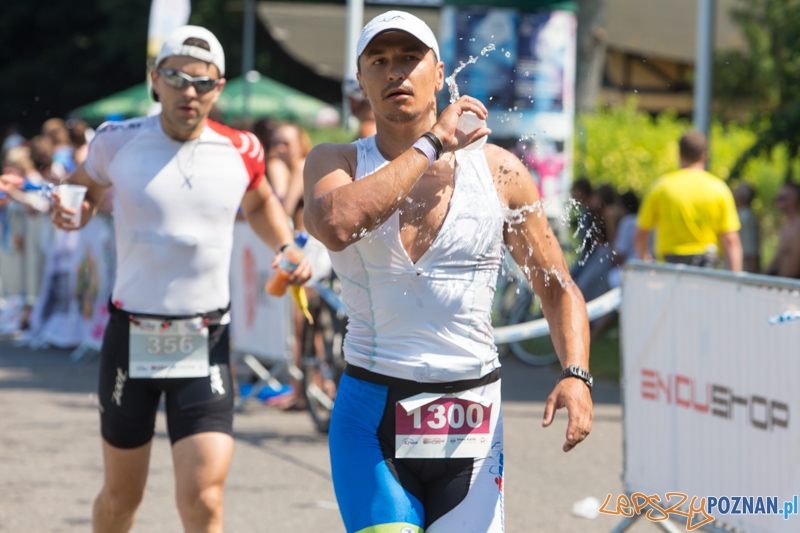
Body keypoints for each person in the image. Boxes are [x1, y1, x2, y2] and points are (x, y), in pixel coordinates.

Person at [303, 11, 593, 532]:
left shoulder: (499, 171)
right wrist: (432, 143)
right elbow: (337, 225)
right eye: (380, 61)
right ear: (361, 80)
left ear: (439, 76)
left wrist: (575, 372)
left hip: (472, 419)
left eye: (411, 59)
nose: (396, 72)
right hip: (372, 416)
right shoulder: (336, 161)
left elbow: (558, 289)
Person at [50, 25, 310, 532]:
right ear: (155, 80)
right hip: (132, 336)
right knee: (122, 500)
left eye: (203, 82)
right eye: (176, 77)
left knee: (205, 501)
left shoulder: (244, 149)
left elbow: (258, 202)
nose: (189, 91)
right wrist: (68, 211)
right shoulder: (114, 142)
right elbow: (80, 195)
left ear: (219, 87)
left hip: (204, 339)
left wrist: (284, 246)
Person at [634, 130, 743, 271]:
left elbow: (640, 235)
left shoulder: (661, 188)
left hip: (669, 266)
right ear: (705, 156)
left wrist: (646, 262)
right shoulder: (719, 189)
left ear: (679, 154)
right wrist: (735, 278)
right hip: (706, 267)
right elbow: (730, 240)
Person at [764, 182, 800, 279]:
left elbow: (795, 261)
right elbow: (778, 259)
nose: (778, 201)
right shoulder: (786, 226)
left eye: (783, 197)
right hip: (783, 284)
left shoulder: (798, 226)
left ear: (795, 198)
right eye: (777, 197)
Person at [734, 182, 760, 273]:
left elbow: (752, 253)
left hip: (743, 273)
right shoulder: (740, 215)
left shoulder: (745, 218)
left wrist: (752, 279)